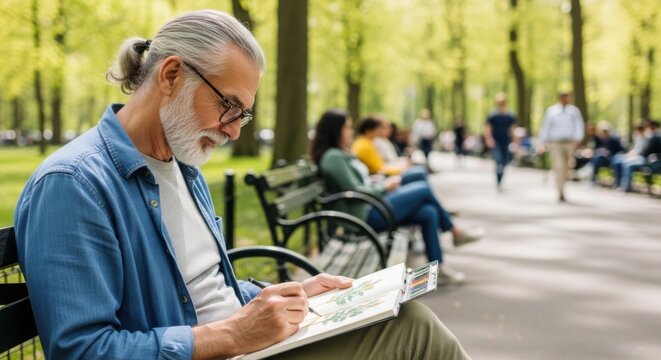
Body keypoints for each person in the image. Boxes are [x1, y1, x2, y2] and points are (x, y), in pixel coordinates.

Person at [13, 11, 470, 360]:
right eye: (228, 106)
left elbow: (202, 289)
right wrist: (233, 333)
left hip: (246, 345)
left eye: (242, 114)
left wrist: (280, 297)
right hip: (228, 349)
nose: (233, 130)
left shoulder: (182, 166)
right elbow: (82, 350)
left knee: (403, 316)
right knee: (414, 331)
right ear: (171, 75)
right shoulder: (72, 185)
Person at [312, 109, 484, 286]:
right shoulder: (333, 157)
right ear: (335, 130)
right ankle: (454, 231)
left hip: (371, 205)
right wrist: (383, 186)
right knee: (423, 188)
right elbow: (356, 190)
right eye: (346, 127)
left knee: (428, 212)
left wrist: (377, 182)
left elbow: (358, 184)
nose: (350, 131)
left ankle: (439, 267)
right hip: (366, 214)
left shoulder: (339, 154)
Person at [538, 92, 585, 202]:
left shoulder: (574, 112)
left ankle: (563, 186)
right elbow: (546, 127)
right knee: (559, 166)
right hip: (556, 143)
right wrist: (542, 143)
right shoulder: (552, 112)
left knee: (567, 168)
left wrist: (578, 139)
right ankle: (560, 191)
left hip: (569, 143)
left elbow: (579, 125)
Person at [484, 93, 516, 189]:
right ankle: (498, 179)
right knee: (498, 160)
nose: (502, 103)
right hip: (496, 141)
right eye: (500, 102)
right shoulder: (493, 115)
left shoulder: (510, 115)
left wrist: (515, 142)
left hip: (506, 141)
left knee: (504, 161)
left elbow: (512, 129)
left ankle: (500, 179)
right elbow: (488, 128)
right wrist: (488, 139)